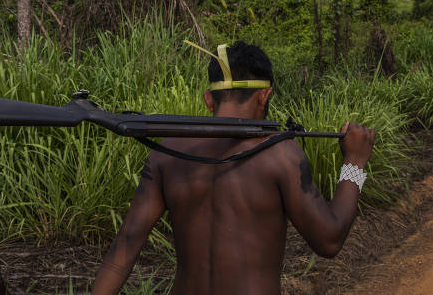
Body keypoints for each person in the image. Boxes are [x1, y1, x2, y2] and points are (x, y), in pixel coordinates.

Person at [91, 41, 376, 295]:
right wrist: (355, 162)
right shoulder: (281, 156)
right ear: (264, 96)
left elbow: (124, 249)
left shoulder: (166, 155)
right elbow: (329, 241)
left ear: (209, 99)